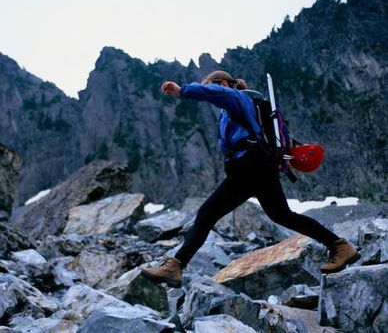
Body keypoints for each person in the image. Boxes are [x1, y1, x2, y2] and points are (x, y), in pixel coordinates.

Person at [141, 71, 360, 288]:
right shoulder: (240, 107)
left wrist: (183, 90)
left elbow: (217, 93)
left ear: (224, 83)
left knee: (207, 213)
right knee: (282, 215)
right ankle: (340, 246)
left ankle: (175, 267)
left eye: (212, 87)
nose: (212, 94)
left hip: (249, 166)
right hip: (261, 167)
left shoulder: (237, 98)